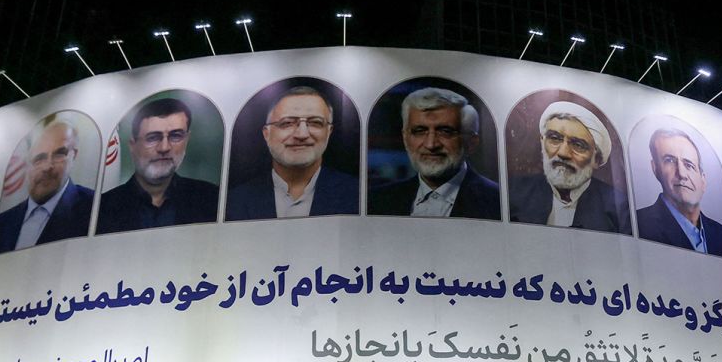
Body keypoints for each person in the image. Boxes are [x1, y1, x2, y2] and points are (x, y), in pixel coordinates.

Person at [226, 86, 357, 220]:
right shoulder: (233, 202)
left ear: (329, 132)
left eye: (315, 123)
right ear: (267, 134)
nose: (302, 134)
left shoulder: (357, 194)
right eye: (287, 123)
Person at [368, 87, 500, 220]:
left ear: (471, 143)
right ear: (405, 138)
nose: (431, 145)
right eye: (420, 131)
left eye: (445, 131)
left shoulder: (498, 202)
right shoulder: (377, 200)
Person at [97, 97, 220, 233]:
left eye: (176, 135)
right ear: (132, 146)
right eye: (153, 138)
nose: (164, 147)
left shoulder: (212, 199)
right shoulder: (99, 209)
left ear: (187, 140)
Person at [508, 101, 629, 233]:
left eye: (578, 145)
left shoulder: (618, 208)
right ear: (542, 143)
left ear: (597, 160)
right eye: (555, 138)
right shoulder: (515, 191)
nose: (563, 153)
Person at [0, 119, 96, 254]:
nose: (47, 167)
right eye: (39, 158)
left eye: (59, 154)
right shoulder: (2, 223)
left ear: (73, 155)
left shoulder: (94, 208)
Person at [634, 126, 722, 259]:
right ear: (655, 169)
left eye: (689, 165)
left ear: (703, 181)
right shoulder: (638, 224)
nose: (682, 174)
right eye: (669, 161)